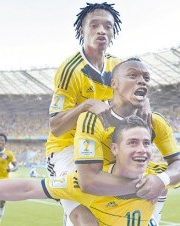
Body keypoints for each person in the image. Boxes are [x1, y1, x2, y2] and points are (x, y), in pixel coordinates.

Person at [0, 118, 180, 226]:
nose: (143, 149)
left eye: (147, 143)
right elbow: (26, 188)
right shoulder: (84, 182)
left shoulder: (155, 176)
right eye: (133, 142)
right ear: (114, 149)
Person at [73, 57, 180, 225]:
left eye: (146, 78)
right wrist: (146, 186)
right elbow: (89, 181)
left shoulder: (156, 122)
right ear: (114, 83)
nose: (142, 81)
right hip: (96, 203)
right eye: (133, 75)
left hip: (136, 206)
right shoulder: (93, 119)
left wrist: (160, 180)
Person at [45, 2, 125, 225]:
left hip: (103, 145)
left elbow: (135, 97)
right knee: (86, 219)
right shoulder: (70, 70)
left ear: (113, 32)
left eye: (108, 26)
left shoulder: (119, 67)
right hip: (67, 149)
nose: (102, 30)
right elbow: (56, 126)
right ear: (83, 30)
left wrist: (144, 101)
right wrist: (85, 106)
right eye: (95, 25)